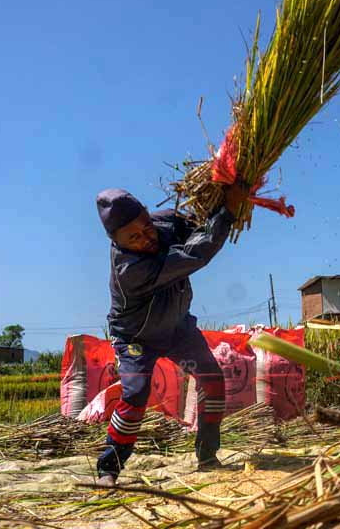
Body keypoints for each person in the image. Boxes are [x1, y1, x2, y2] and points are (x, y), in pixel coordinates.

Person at [93, 184, 249, 486]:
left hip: (178, 330)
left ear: (150, 217)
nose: (146, 238)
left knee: (212, 379)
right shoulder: (129, 269)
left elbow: (196, 220)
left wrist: (222, 195)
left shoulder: (164, 223)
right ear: (117, 242)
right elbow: (194, 254)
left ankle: (207, 455)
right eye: (133, 238)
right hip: (136, 338)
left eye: (147, 227)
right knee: (136, 391)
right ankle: (108, 467)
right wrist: (228, 213)